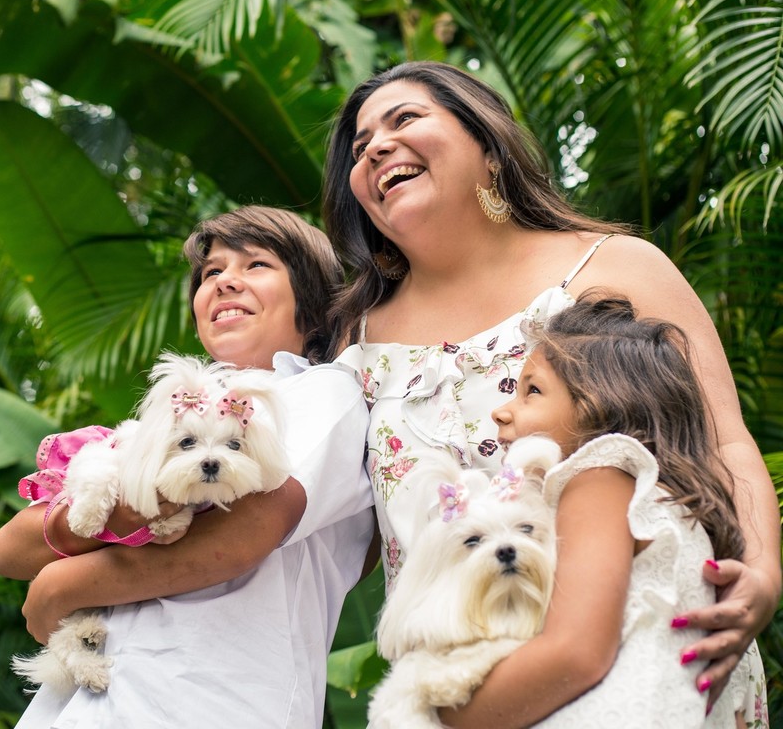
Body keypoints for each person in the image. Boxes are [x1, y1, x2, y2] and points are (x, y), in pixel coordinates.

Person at [321, 61, 779, 716]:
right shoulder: (355, 345)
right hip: (467, 693)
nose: (376, 149)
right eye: (360, 150)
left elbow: (725, 444)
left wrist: (761, 576)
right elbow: (333, 542)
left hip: (651, 667)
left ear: (487, 143)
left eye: (405, 119)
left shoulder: (616, 267)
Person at [0, 205, 376, 728]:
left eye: (256, 265)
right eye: (211, 273)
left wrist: (61, 587)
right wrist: (111, 516)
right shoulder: (169, 416)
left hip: (210, 702)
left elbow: (241, 536)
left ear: (311, 303)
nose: (224, 283)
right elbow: (11, 549)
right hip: (82, 709)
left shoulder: (325, 394)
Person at [444, 294, 762, 726]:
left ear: (601, 404)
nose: (501, 412)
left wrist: (439, 712)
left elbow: (576, 653)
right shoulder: (662, 498)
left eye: (532, 390)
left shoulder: (599, 475)